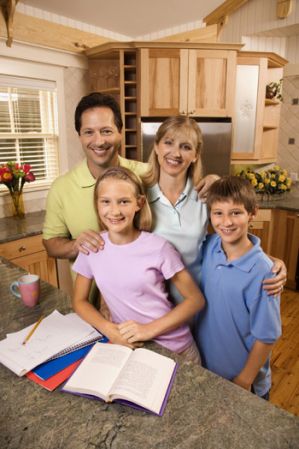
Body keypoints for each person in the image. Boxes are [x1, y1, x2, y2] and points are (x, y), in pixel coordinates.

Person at [42, 93, 215, 261]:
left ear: (120, 133)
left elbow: (179, 175)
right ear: (79, 136)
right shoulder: (61, 188)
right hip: (90, 288)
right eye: (88, 132)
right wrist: (76, 245)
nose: (99, 141)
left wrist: (215, 182)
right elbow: (50, 245)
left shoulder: (145, 176)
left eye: (106, 131)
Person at [142, 116, 286, 301]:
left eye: (186, 147)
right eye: (168, 143)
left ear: (195, 155)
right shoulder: (139, 196)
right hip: (151, 303)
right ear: (156, 147)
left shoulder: (205, 197)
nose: (176, 153)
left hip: (198, 301)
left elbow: (229, 238)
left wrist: (269, 261)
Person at [72, 166, 205, 361]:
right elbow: (79, 301)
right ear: (97, 205)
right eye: (106, 202)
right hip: (131, 347)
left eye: (124, 201)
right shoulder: (91, 248)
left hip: (176, 348)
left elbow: (195, 300)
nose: (114, 211)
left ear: (139, 203)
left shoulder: (159, 248)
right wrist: (108, 329)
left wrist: (147, 330)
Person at [194, 176, 282, 399]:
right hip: (207, 369)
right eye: (218, 213)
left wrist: (245, 379)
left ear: (253, 213)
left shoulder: (264, 273)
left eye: (236, 212)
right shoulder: (210, 246)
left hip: (242, 381)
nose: (227, 222)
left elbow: (267, 337)